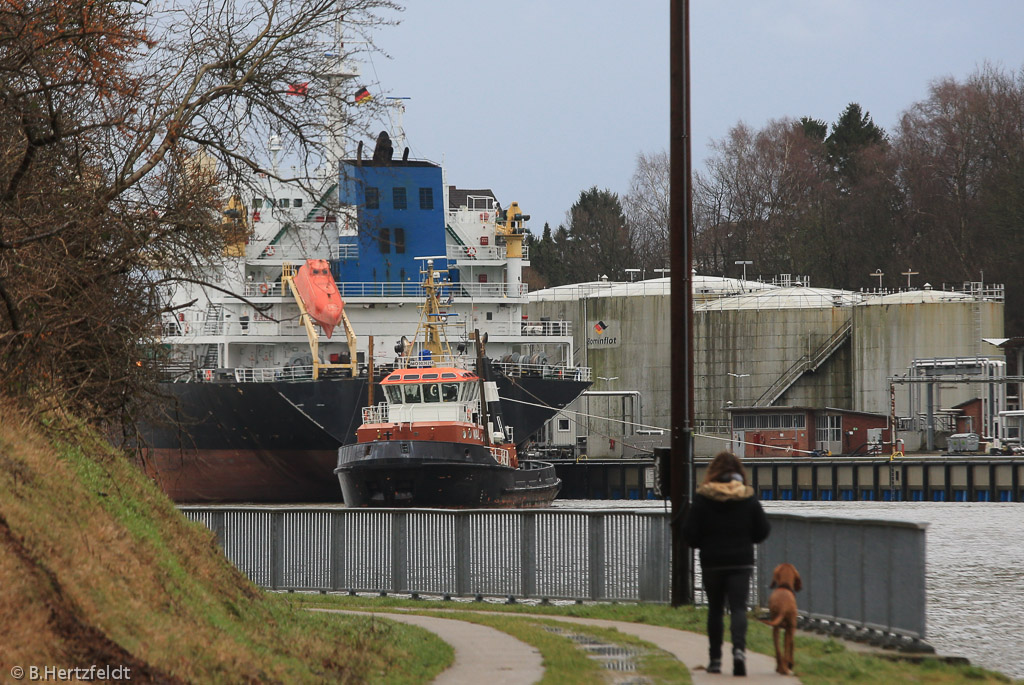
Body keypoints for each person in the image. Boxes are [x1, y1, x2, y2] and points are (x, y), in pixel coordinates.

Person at [682, 451, 770, 677]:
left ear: (713, 473)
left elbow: (689, 535)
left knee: (715, 609)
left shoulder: (703, 498)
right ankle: (739, 651)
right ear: (739, 474)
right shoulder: (747, 497)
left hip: (712, 561)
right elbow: (762, 531)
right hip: (741, 561)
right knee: (739, 608)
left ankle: (715, 660)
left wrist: (704, 542)